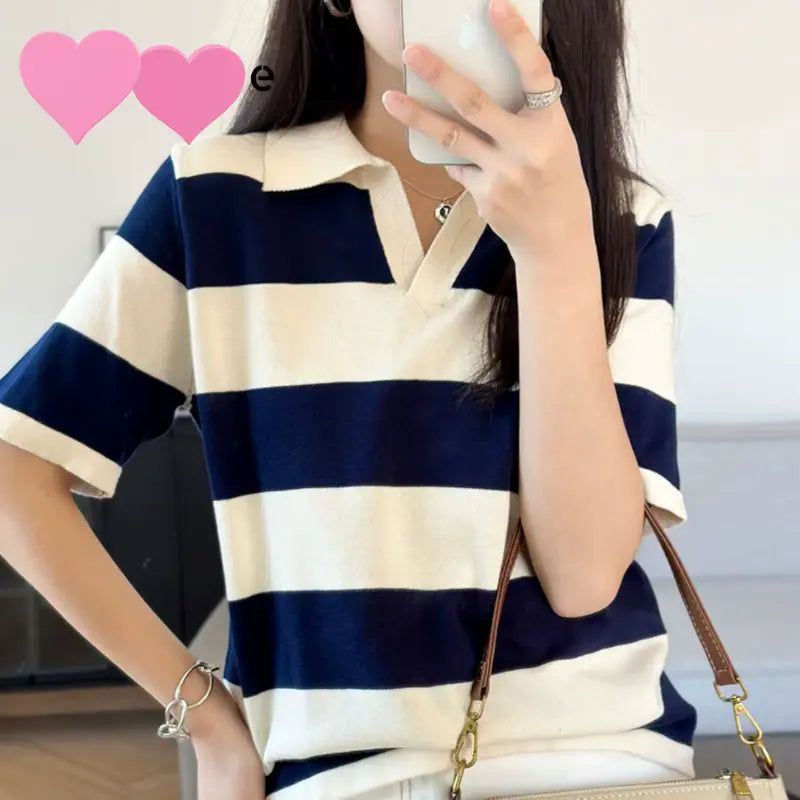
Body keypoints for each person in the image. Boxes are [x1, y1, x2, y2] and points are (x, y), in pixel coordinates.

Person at [0, 0, 698, 798]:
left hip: (605, 762)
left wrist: (554, 248)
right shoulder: (215, 199)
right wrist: (208, 721)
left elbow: (584, 579)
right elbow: (16, 467)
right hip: (339, 777)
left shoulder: (618, 217)